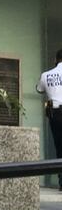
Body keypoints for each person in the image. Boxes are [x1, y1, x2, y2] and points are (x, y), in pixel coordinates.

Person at [37, 48, 62, 189]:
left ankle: (61, 181)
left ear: (55, 59)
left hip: (55, 114)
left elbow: (39, 89)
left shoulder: (46, 75)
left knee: (59, 147)